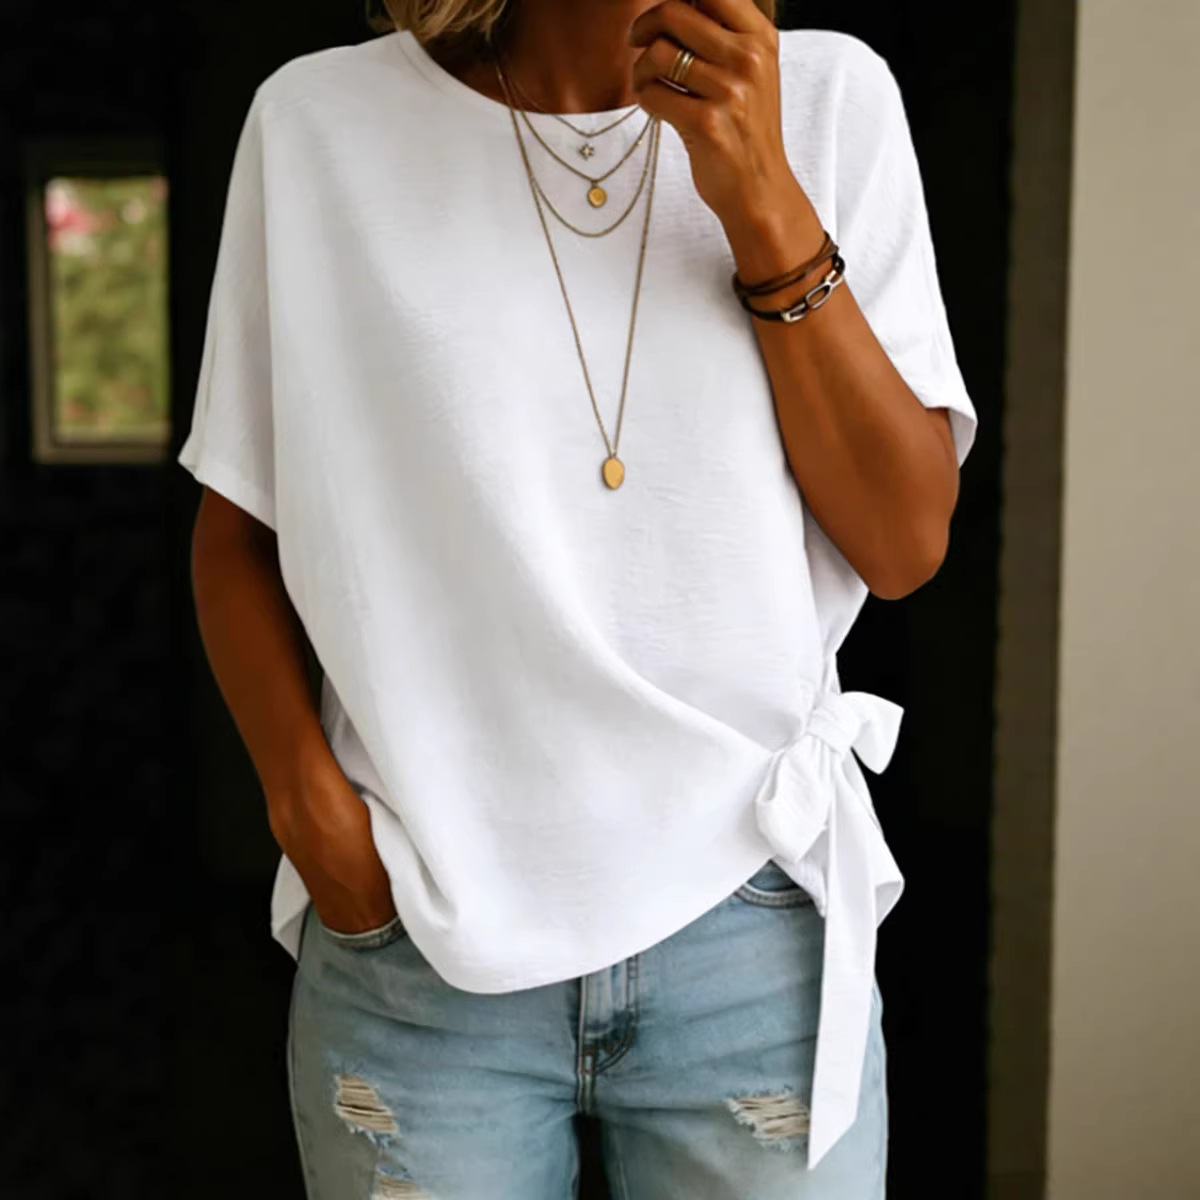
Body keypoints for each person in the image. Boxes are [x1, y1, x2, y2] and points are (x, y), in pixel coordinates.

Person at [179, 0, 978, 1194]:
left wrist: (759, 193)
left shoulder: (827, 100)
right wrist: (316, 824)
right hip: (422, 939)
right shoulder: (319, 125)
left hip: (751, 923)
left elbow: (905, 543)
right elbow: (241, 527)